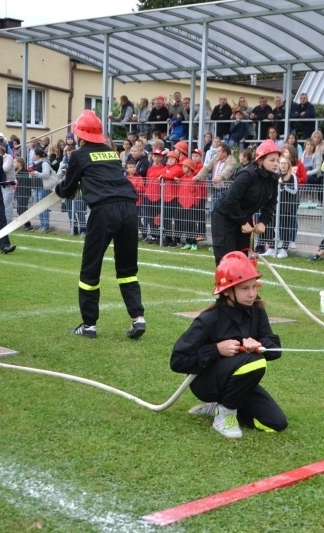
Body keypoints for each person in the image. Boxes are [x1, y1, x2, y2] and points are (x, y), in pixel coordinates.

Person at [170, 251, 286, 439]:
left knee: (276, 423)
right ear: (226, 291)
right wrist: (216, 349)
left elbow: (275, 349)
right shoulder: (209, 319)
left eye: (254, 286)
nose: (252, 294)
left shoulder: (256, 310)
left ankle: (220, 407)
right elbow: (178, 361)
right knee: (254, 361)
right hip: (206, 383)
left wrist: (259, 343)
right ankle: (225, 415)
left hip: (238, 381)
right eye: (244, 288)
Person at [54, 110, 147, 340]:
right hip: (128, 207)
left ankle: (89, 325)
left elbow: (66, 190)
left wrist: (59, 188)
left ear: (79, 135)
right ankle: (138, 318)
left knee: (90, 267)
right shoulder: (112, 153)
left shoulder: (78, 156)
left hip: (104, 210)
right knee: (127, 269)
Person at [210, 139, 280, 266]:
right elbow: (230, 200)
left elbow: (271, 202)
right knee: (227, 260)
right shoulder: (247, 175)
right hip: (224, 217)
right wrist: (243, 221)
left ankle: (242, 285)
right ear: (260, 160)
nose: (276, 164)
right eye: (272, 160)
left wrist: (263, 221)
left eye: (277, 160)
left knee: (242, 259)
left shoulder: (274, 179)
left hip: (244, 218)